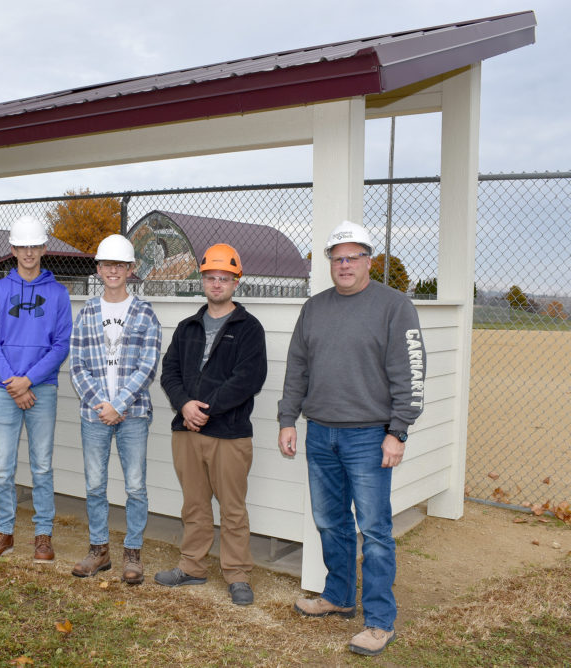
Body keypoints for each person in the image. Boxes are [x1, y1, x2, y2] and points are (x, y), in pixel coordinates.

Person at [277, 220, 425, 657]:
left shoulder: (394, 307)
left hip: (369, 436)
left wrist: (397, 431)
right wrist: (289, 419)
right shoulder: (314, 308)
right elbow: (296, 367)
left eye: (352, 257)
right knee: (330, 522)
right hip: (321, 433)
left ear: (368, 261)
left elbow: (410, 373)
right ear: (329, 263)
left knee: (375, 531)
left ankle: (379, 621)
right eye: (336, 257)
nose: (344, 264)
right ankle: (339, 596)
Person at [155, 243, 267, 606]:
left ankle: (236, 574)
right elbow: (169, 371)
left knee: (232, 508)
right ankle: (192, 567)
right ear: (201, 279)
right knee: (195, 505)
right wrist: (185, 405)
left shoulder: (249, 328)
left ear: (237, 282)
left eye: (224, 278)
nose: (217, 284)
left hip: (229, 434)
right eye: (210, 277)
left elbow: (248, 378)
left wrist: (206, 409)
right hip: (186, 431)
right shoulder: (188, 327)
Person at [0, 216, 72, 563]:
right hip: (4, 389)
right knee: (2, 466)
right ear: (13, 249)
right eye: (22, 247)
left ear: (44, 249)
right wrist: (14, 384)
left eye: (35, 246)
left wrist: (28, 381)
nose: (29, 252)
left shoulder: (58, 293)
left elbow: (61, 345)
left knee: (42, 466)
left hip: (40, 389)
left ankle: (43, 535)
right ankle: (5, 531)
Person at [68, 234, 161, 584]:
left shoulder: (144, 313)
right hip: (94, 415)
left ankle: (133, 552)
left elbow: (148, 365)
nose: (113, 271)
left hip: (132, 414)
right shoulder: (88, 312)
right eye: (107, 265)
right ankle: (99, 550)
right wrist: (100, 404)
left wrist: (119, 404)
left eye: (120, 265)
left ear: (130, 269)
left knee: (135, 485)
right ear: (98, 268)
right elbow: (77, 365)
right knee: (95, 484)